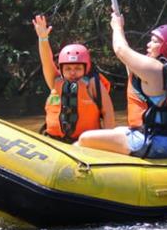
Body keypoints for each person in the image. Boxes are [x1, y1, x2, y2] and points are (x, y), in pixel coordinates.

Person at [77, 14, 167, 159]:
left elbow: (120, 49)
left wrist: (117, 27)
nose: (148, 45)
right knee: (119, 130)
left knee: (84, 138)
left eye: (154, 42)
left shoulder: (155, 69)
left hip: (153, 144)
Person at [33, 15, 115, 143]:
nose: (72, 72)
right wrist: (43, 38)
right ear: (61, 69)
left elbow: (108, 113)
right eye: (68, 68)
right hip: (54, 141)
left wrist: (108, 142)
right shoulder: (55, 81)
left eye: (77, 68)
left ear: (86, 68)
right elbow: (46, 61)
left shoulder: (93, 84)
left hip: (84, 143)